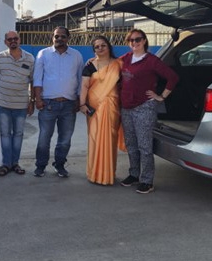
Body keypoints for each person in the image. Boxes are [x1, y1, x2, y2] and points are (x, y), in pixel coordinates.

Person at [118, 29, 179, 194]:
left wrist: (161, 96)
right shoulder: (125, 59)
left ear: (144, 41)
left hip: (143, 107)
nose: (134, 43)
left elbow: (172, 77)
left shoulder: (152, 61)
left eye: (137, 39)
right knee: (131, 144)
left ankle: (147, 180)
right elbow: (108, 66)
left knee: (144, 145)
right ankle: (134, 174)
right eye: (130, 40)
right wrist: (92, 62)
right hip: (126, 108)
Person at [32, 26, 84, 178]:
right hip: (48, 104)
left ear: (68, 38)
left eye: (63, 36)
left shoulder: (76, 56)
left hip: (69, 104)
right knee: (44, 138)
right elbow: (37, 78)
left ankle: (59, 164)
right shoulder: (43, 54)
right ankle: (40, 165)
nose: (59, 39)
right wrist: (38, 99)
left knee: (65, 139)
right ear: (52, 38)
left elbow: (81, 79)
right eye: (56, 36)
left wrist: (79, 100)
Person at [79, 35, 122, 186]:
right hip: (94, 107)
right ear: (93, 50)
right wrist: (82, 104)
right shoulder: (89, 66)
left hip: (112, 106)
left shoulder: (118, 64)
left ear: (109, 46)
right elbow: (84, 86)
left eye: (103, 45)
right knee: (95, 138)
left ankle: (108, 174)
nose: (100, 48)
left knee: (110, 139)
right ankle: (94, 174)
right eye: (97, 46)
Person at [0, 30, 35, 177]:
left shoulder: (29, 59)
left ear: (19, 40)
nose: (13, 41)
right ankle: (6, 164)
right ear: (5, 42)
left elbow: (32, 81)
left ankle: (15, 163)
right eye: (9, 39)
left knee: (18, 134)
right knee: (5, 135)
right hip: (3, 104)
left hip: (21, 105)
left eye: (15, 38)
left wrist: (32, 101)